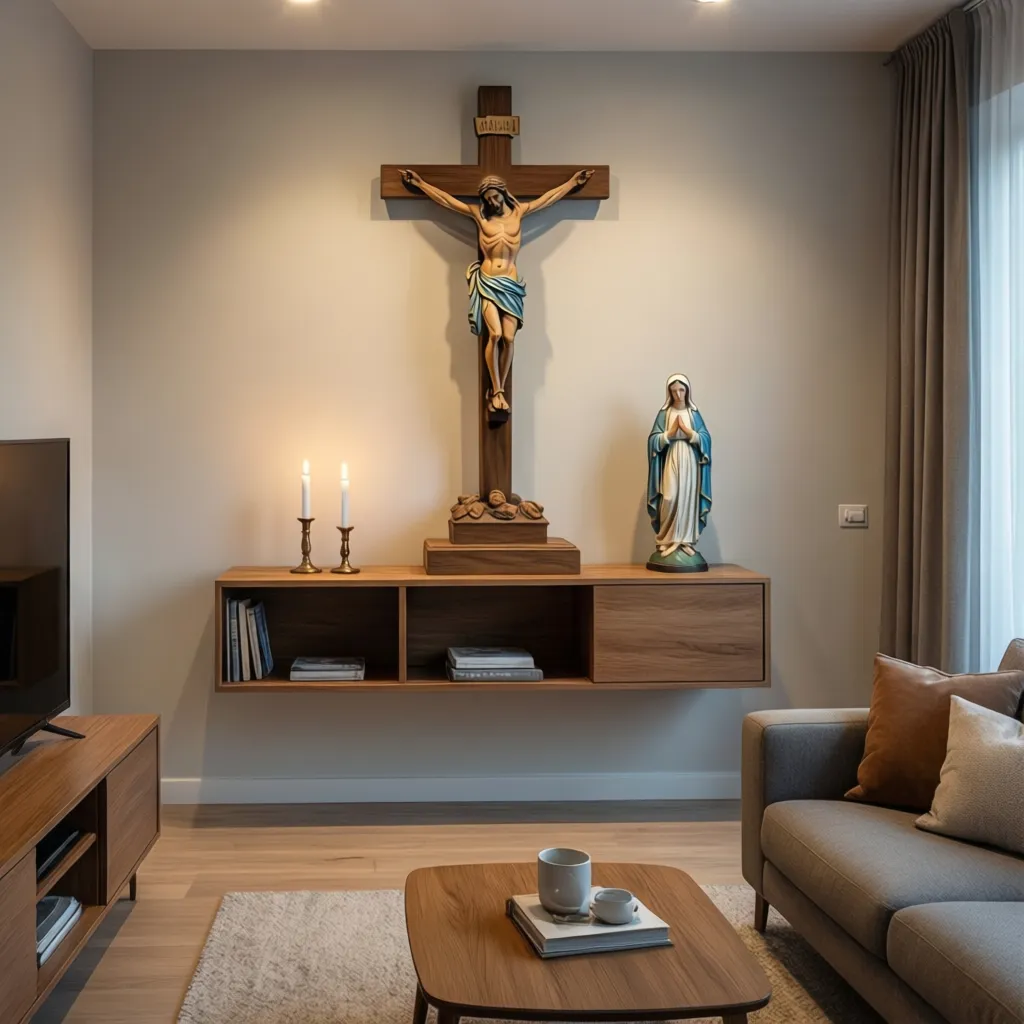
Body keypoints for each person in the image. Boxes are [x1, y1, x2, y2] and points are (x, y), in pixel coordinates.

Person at [400, 168, 593, 416]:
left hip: (511, 285)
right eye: (488, 199)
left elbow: (546, 199)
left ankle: (498, 389)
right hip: (488, 282)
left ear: (503, 193)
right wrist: (420, 184)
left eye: (495, 197)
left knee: (509, 338)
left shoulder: (519, 213)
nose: (492, 202)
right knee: (495, 334)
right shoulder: (480, 217)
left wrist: (571, 184)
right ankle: (497, 390)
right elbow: (447, 200)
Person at [647, 374, 712, 559]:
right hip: (672, 457)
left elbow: (705, 438)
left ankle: (685, 540)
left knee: (687, 498)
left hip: (690, 460)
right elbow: (653, 440)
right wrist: (669, 434)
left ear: (687, 391)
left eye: (681, 390)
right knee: (669, 497)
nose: (678, 394)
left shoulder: (693, 414)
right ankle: (667, 539)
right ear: (669, 392)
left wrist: (689, 432)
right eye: (674, 391)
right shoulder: (664, 414)